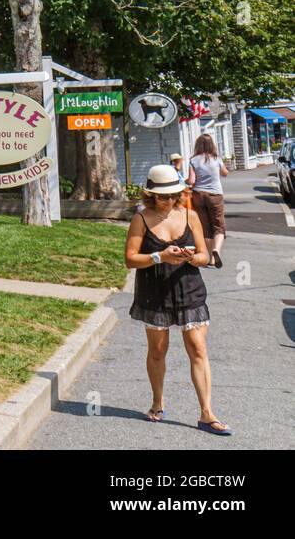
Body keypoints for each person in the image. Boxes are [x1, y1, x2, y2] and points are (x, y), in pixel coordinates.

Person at [125, 164, 230, 435]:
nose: (169, 200)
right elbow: (130, 259)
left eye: (173, 195)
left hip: (189, 287)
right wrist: (160, 256)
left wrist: (190, 256)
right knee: (158, 351)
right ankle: (157, 402)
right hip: (154, 291)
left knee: (198, 349)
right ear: (151, 196)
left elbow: (205, 256)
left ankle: (207, 413)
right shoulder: (141, 219)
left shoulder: (190, 215)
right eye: (163, 196)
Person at [186, 134, 228, 268]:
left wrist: (185, 181)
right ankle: (217, 250)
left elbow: (191, 180)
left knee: (205, 226)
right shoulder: (217, 159)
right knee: (218, 225)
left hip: (198, 195)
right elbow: (225, 173)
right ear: (212, 145)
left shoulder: (193, 160)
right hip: (215, 194)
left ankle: (211, 258)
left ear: (198, 145)